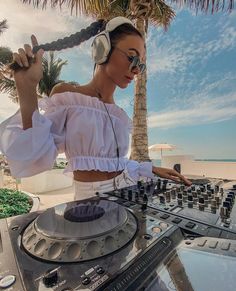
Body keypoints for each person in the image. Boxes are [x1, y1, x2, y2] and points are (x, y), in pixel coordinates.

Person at [0, 17, 191, 200]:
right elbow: (35, 155)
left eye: (140, 65)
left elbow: (115, 164)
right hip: (87, 205)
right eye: (132, 57)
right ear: (102, 49)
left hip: (125, 198)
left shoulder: (121, 116)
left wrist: (150, 169)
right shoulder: (68, 97)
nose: (135, 69)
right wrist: (26, 88)